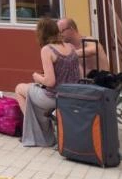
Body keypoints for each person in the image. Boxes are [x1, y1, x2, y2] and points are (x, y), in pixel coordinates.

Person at [14, 17, 82, 147]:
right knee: (30, 88)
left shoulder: (47, 50)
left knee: (19, 89)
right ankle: (41, 131)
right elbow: (77, 73)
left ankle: (35, 133)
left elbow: (50, 82)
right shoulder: (70, 47)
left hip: (53, 98)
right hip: (71, 96)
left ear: (41, 34)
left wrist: (37, 77)